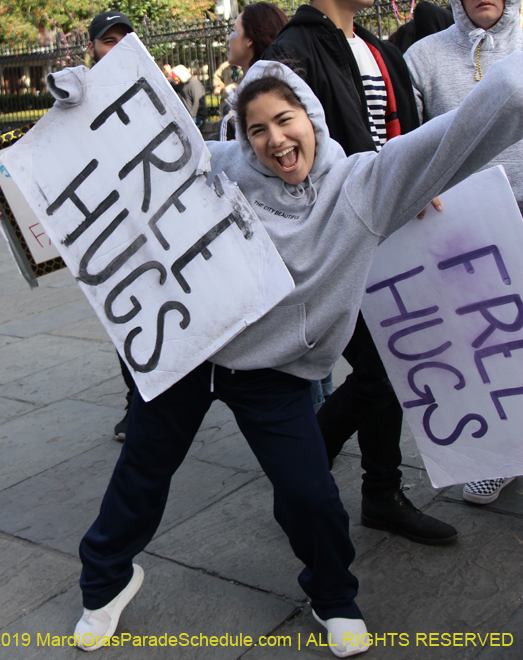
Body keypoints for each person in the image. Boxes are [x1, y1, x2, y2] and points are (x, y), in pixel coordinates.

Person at [74, 48, 523, 654]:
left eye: (285, 120)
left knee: (310, 493)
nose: (275, 140)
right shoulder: (216, 167)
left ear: (311, 115)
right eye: (256, 128)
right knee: (140, 475)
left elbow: (460, 132)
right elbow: (114, 172)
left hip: (275, 371)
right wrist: (78, 107)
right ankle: (105, 583)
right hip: (190, 355)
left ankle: (333, 596)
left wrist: (500, 94)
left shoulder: (363, 184)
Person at [263, 0, 454, 544]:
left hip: (393, 231)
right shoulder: (292, 52)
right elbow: (282, 147)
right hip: (336, 238)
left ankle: (381, 494)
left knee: (393, 364)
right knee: (380, 371)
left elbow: (405, 134)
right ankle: (302, 473)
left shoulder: (377, 48)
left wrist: (418, 183)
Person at [405, 0, 523, 507]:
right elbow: (403, 139)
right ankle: (494, 460)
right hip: (462, 231)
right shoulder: (424, 57)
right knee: (480, 345)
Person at [0, 9, 137, 442]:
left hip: (153, 221)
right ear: (92, 47)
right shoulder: (71, 101)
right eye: (108, 40)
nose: (117, 47)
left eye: (125, 38)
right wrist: (6, 206)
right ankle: (137, 403)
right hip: (106, 230)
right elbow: (48, 166)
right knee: (126, 317)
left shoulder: (155, 91)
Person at [219, 1, 289, 140]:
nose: (228, 37)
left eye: (234, 30)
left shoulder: (265, 89)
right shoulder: (276, 78)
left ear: (249, 40)